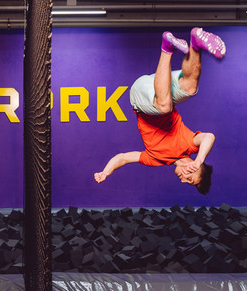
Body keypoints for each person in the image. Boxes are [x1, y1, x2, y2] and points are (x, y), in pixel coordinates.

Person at [94, 27, 225, 195]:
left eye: (187, 182)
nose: (183, 180)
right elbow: (209, 137)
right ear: (197, 167)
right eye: (190, 179)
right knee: (190, 88)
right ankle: (195, 44)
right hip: (161, 86)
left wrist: (105, 172)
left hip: (142, 97)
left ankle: (167, 48)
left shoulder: (156, 160)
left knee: (164, 106)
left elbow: (123, 158)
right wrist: (199, 159)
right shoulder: (190, 144)